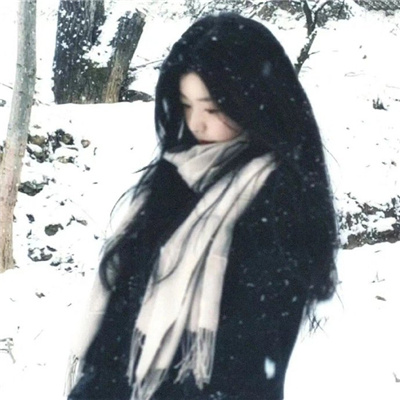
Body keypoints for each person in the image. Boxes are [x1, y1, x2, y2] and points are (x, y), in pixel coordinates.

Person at [67, 12, 337, 400]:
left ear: (254, 101)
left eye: (212, 109)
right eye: (186, 105)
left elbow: (249, 357)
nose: (196, 125)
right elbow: (122, 306)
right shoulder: (177, 175)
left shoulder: (278, 199)